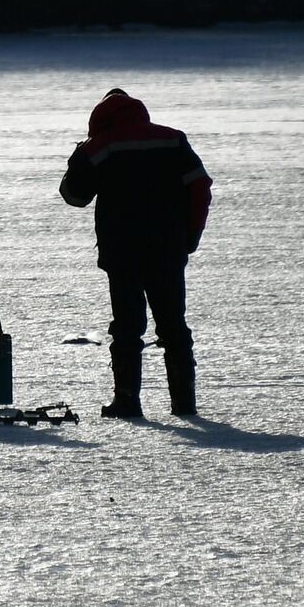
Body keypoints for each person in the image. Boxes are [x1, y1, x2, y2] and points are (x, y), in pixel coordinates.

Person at [59, 88, 212, 418]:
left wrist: (77, 159)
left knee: (127, 326)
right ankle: (184, 404)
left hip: (122, 253)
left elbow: (74, 196)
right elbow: (201, 187)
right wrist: (191, 234)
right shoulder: (172, 140)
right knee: (174, 326)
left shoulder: (100, 146)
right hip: (168, 249)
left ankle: (127, 400)